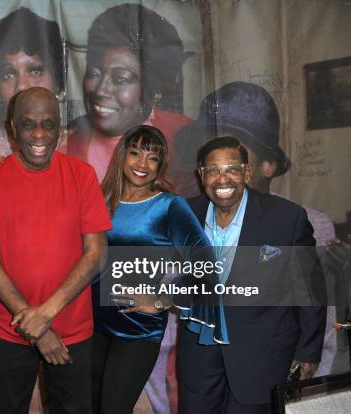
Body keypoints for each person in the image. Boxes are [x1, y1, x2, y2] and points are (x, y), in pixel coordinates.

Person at [170, 81, 347, 376]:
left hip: (265, 377)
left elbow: (320, 326)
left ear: (267, 164)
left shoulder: (307, 223)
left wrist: (303, 388)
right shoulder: (187, 217)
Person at [0, 87, 111, 414]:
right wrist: (35, 328)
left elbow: (96, 253)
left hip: (72, 331)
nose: (38, 134)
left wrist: (45, 316)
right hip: (7, 330)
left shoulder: (82, 176)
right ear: (13, 129)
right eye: (28, 124)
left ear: (60, 128)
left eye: (48, 124)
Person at [178, 136, 326, 413]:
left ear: (247, 172)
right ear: (201, 175)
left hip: (261, 360)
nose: (223, 179)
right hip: (198, 361)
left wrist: (308, 352)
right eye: (213, 170)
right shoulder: (184, 214)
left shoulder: (287, 218)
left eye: (232, 169)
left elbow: (309, 289)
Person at [91, 125, 216, 414]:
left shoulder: (169, 207)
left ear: (161, 165)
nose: (141, 164)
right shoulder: (101, 200)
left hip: (136, 331)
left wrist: (163, 300)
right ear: (122, 156)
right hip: (92, 325)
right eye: (135, 153)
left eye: (152, 158)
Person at [67, 3, 191, 182]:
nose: (101, 89)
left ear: (155, 90)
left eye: (121, 79)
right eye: (94, 73)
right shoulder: (65, 140)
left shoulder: (184, 139)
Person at [0, 7, 65, 157]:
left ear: (57, 79)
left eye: (35, 71)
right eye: (9, 74)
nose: (22, 85)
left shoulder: (79, 146)